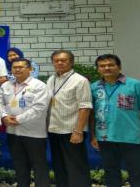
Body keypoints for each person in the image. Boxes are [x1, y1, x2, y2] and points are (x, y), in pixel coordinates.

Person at [90, 54, 140, 187]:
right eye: (102, 66)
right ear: (98, 69)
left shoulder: (135, 85)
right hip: (105, 137)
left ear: (119, 67)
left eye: (111, 65)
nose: (107, 68)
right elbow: (91, 114)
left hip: (131, 137)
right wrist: (93, 135)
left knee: (136, 173)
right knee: (110, 173)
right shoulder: (93, 87)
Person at [0, 58, 50, 187]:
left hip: (34, 134)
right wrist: (5, 117)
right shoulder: (6, 86)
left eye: (21, 67)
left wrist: (18, 119)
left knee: (39, 167)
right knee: (20, 166)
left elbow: (39, 108)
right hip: (13, 132)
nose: (17, 69)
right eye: (14, 67)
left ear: (30, 69)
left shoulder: (39, 85)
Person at [46, 50, 92, 187]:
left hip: (71, 130)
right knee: (59, 165)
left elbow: (85, 107)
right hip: (54, 128)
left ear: (71, 62)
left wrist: (78, 131)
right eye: (56, 60)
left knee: (77, 166)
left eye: (63, 60)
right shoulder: (51, 79)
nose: (59, 63)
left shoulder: (80, 80)